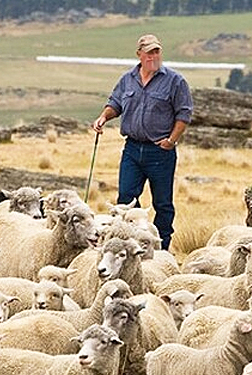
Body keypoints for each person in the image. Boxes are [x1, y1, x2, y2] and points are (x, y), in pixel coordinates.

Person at [91, 34, 193, 252]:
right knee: (125, 200)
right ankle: (129, 247)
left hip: (160, 152)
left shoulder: (175, 81)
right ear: (139, 54)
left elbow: (184, 114)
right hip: (132, 148)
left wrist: (171, 140)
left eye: (157, 51)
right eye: (149, 52)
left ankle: (161, 251)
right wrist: (103, 118)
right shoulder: (127, 79)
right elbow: (115, 104)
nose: (154, 56)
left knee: (163, 204)